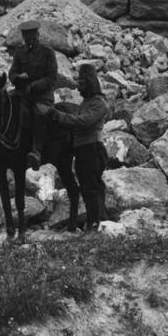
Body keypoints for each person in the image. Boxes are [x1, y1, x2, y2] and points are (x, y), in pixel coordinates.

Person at [39, 63, 109, 232]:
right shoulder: (85, 103)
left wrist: (54, 114)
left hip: (93, 149)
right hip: (82, 151)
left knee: (91, 187)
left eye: (83, 84)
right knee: (86, 187)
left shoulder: (99, 104)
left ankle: (95, 223)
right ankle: (94, 222)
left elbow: (84, 122)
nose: (79, 88)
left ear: (91, 83)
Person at [9, 20, 57, 162]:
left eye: (32, 37)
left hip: (41, 96)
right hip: (22, 94)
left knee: (39, 113)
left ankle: (37, 151)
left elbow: (51, 78)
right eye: (26, 37)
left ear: (37, 35)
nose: (29, 40)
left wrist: (34, 86)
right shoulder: (19, 52)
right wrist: (18, 77)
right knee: (3, 104)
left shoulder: (47, 52)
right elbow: (12, 73)